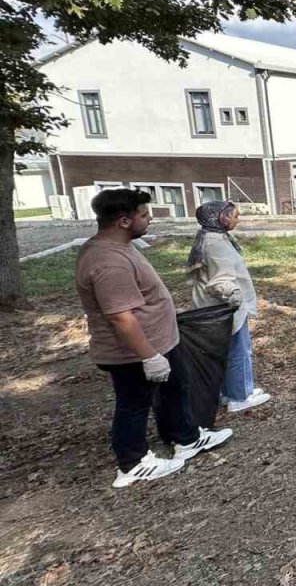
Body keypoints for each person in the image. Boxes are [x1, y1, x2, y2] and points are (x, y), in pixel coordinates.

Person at [76, 188, 233, 488]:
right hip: (134, 352)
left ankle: (186, 439)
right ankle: (133, 463)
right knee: (133, 404)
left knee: (176, 388)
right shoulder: (108, 263)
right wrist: (148, 356)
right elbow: (120, 317)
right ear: (124, 220)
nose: (150, 220)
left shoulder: (120, 246)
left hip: (160, 342)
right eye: (144, 215)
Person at [188, 201, 271, 413]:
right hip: (225, 308)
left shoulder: (212, 237)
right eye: (235, 215)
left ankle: (231, 391)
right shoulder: (215, 244)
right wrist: (233, 295)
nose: (238, 219)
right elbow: (219, 281)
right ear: (220, 217)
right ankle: (239, 396)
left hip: (217, 308)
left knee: (228, 350)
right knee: (239, 350)